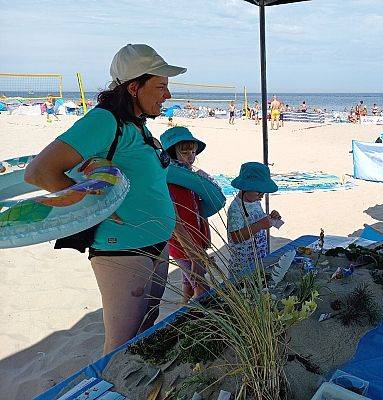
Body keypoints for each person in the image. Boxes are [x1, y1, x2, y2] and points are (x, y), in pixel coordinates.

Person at [24, 44, 187, 354]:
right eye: (161, 86)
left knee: (145, 330)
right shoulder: (104, 121)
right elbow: (40, 171)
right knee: (121, 344)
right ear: (134, 87)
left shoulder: (135, 123)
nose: (168, 95)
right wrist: (90, 207)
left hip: (155, 244)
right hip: (123, 249)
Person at [161, 127, 212, 303]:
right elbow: (175, 221)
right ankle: (197, 317)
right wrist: (194, 255)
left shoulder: (189, 178)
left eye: (193, 151)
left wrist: (206, 236)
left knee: (187, 280)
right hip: (182, 244)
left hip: (195, 239)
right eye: (184, 151)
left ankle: (184, 304)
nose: (191, 155)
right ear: (171, 153)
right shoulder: (169, 183)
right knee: (201, 286)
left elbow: (199, 209)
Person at [227, 162, 281, 272]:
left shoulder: (255, 202)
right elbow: (236, 238)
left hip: (260, 258)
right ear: (245, 188)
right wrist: (260, 225)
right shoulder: (235, 209)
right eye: (259, 193)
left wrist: (271, 218)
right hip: (243, 265)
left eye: (263, 193)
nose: (261, 196)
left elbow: (258, 220)